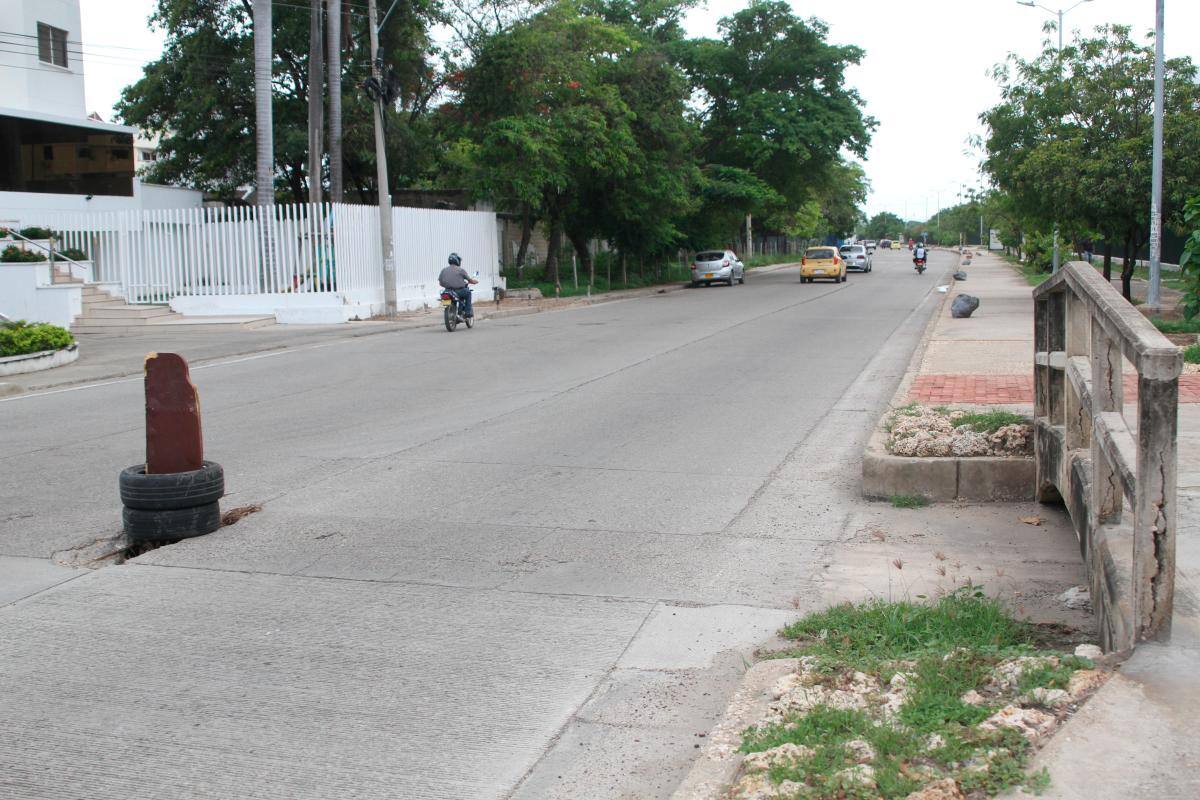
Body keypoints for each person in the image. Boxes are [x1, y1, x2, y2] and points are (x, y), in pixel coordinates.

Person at [438, 252, 478, 318]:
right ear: (457, 260)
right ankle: (468, 312)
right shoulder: (460, 270)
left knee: (451, 298)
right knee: (468, 293)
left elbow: (440, 283)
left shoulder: (443, 270)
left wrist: (448, 285)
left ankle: (455, 312)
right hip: (458, 291)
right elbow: (469, 280)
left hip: (447, 291)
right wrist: (474, 282)